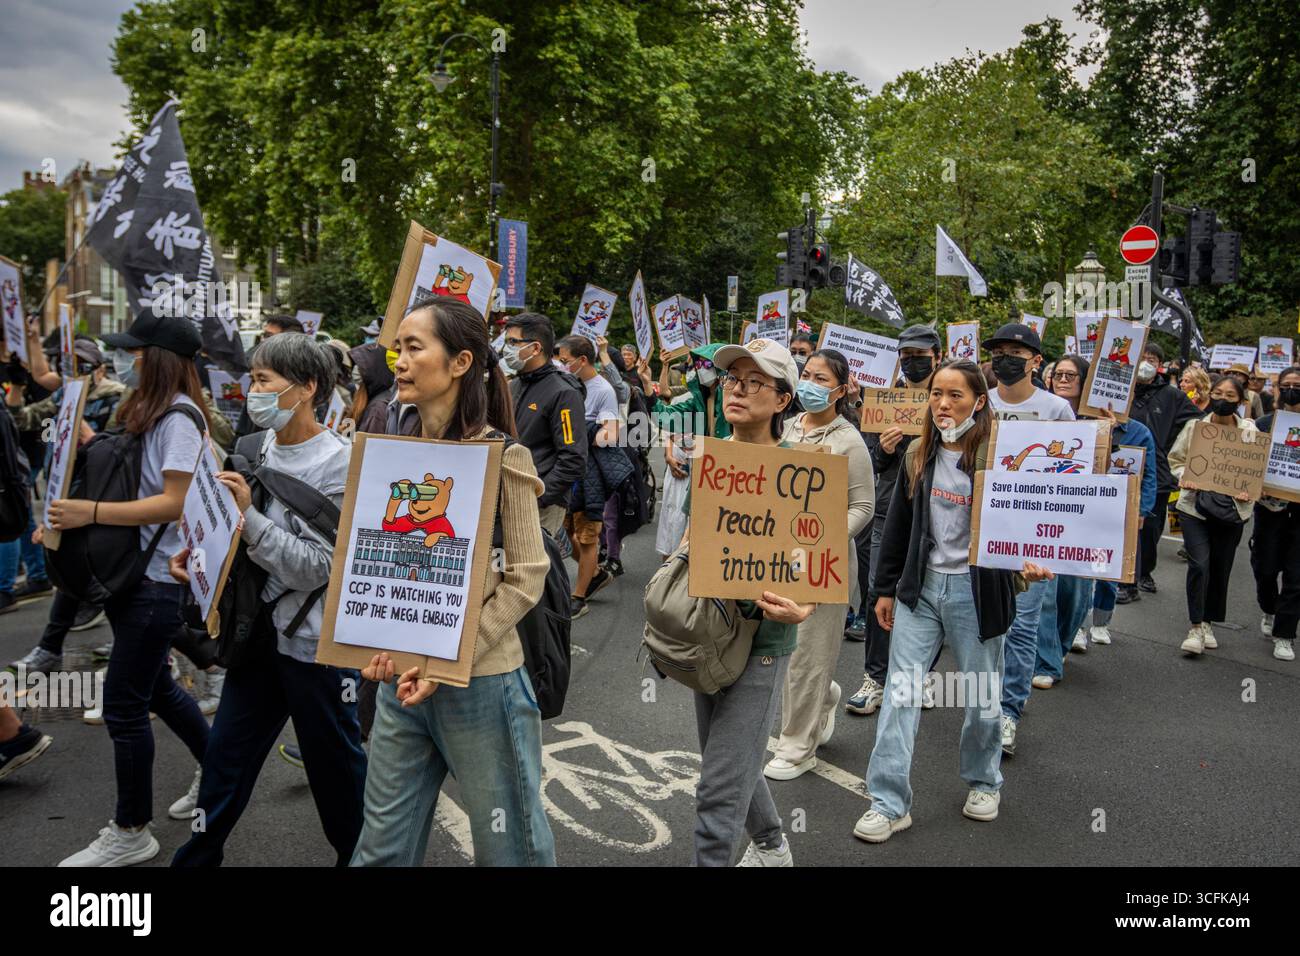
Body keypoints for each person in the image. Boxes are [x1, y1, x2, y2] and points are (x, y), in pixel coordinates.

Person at [350, 296, 555, 867]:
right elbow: (376, 566)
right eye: (398, 348)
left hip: (482, 687)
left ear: (461, 362)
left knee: (509, 849)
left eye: (415, 347)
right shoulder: (394, 452)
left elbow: (526, 576)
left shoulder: (503, 456)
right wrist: (372, 645)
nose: (400, 361)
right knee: (381, 849)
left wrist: (451, 660)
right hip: (402, 686)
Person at [169, 333, 366, 865]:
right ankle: (197, 856)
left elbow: (318, 567)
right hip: (255, 639)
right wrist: (201, 562)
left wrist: (249, 517)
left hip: (314, 648)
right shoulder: (252, 449)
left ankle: (359, 857)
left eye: (262, 381)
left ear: (305, 388)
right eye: (251, 378)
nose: (250, 391)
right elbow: (228, 539)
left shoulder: (342, 464)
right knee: (225, 758)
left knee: (336, 772)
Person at [855, 361, 1053, 843]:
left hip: (975, 594)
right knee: (900, 696)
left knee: (983, 701)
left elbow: (1033, 519)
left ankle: (984, 782)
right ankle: (888, 802)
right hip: (920, 593)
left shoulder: (1005, 458)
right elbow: (898, 527)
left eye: (957, 396)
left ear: (980, 402)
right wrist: (883, 590)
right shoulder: (918, 453)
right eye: (937, 394)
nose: (944, 404)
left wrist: (1031, 560)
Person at [49, 313, 212, 867]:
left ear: (157, 357)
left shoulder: (181, 419)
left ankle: (131, 829)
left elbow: (173, 501)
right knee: (157, 689)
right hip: (135, 580)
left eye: (134, 351)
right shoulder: (157, 411)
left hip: (158, 583)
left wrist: (87, 511)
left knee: (123, 706)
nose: (126, 360)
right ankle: (220, 770)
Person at [679, 337, 814, 866]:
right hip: (707, 635)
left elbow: (818, 561)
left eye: (755, 381)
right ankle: (773, 846)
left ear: (783, 400)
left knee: (717, 790)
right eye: (733, 379)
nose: (737, 389)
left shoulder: (804, 469)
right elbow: (693, 542)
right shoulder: (709, 458)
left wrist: (805, 606)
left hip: (763, 643)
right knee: (729, 759)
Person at [763, 349, 875, 780]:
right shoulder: (786, 427)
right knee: (791, 655)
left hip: (822, 565)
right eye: (806, 374)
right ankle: (824, 694)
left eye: (822, 378)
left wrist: (820, 539)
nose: (811, 383)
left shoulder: (849, 440)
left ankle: (797, 747)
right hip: (780, 561)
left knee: (808, 655)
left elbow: (862, 507)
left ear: (841, 390)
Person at [8, 341, 127, 671]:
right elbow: (23, 419)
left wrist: (90, 437)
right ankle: (51, 648)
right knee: (67, 575)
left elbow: (122, 453)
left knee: (107, 578)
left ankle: (146, 652)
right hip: (64, 494)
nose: (76, 373)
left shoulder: (118, 398)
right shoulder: (65, 396)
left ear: (100, 369)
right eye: (70, 366)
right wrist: (17, 386)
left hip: (101, 500)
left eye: (84, 366)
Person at [983, 322, 1071, 756]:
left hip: (1032, 533)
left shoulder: (1057, 410)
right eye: (998, 350)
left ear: (1036, 361)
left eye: (1015, 351)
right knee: (984, 624)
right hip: (982, 528)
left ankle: (1008, 711)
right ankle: (983, 703)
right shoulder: (980, 404)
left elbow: (1073, 475)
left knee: (1021, 625)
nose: (1005, 358)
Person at [848, 325, 941, 717]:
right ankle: (876, 676)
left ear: (937, 356)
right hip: (889, 509)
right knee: (877, 592)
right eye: (906, 356)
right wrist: (885, 450)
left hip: (937, 512)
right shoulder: (883, 401)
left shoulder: (951, 398)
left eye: (920, 355)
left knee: (927, 596)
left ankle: (921, 676)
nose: (913, 362)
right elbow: (873, 462)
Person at [1168, 374, 1256, 656]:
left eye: (1230, 396)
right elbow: (1176, 459)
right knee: (1199, 564)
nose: (1223, 400)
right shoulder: (1196, 427)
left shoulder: (1249, 432)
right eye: (1218, 393)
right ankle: (1195, 626)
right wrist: (1185, 476)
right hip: (1195, 506)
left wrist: (1248, 489)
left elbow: (1255, 470)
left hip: (1233, 509)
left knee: (1220, 567)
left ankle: (1208, 622)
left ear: (1241, 401)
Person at [1128, 342, 1201, 603]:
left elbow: (1198, 425)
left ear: (1159, 364)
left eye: (1152, 358)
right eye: (1142, 357)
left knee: (1150, 528)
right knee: (1123, 527)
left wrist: (1172, 448)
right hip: (1121, 470)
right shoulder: (1122, 388)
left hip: (1157, 474)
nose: (1146, 362)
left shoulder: (1172, 396)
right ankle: (1126, 579)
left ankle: (1144, 571)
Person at [503, 313, 587, 537]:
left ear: (535, 348)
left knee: (532, 570)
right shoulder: (513, 385)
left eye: (513, 342)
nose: (506, 348)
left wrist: (539, 495)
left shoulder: (564, 393)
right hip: (507, 499)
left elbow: (573, 458)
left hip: (541, 506)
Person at [555, 335, 620, 618]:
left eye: (565, 361)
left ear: (582, 361)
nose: (561, 364)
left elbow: (611, 434)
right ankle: (593, 573)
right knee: (562, 533)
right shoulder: (563, 382)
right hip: (565, 470)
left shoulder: (603, 390)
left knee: (587, 536)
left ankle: (578, 596)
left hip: (590, 474)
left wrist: (582, 431)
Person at [653, 344, 730, 561]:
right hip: (700, 472)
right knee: (688, 528)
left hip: (728, 474)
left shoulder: (733, 397)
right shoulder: (696, 398)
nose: (702, 368)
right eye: (699, 363)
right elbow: (665, 415)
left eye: (707, 363)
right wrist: (649, 392)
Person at [1251, 366, 1300, 662]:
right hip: (1270, 510)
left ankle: (1285, 634)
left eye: (1298, 384)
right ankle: (1270, 609)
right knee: (1265, 568)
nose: (1293, 389)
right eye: (1288, 384)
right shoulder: (1263, 424)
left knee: (1296, 577)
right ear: (1278, 389)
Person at [348, 341, 397, 435]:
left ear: (374, 371)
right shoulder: (365, 395)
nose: (356, 370)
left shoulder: (378, 408)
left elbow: (364, 448)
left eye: (361, 367)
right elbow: (349, 437)